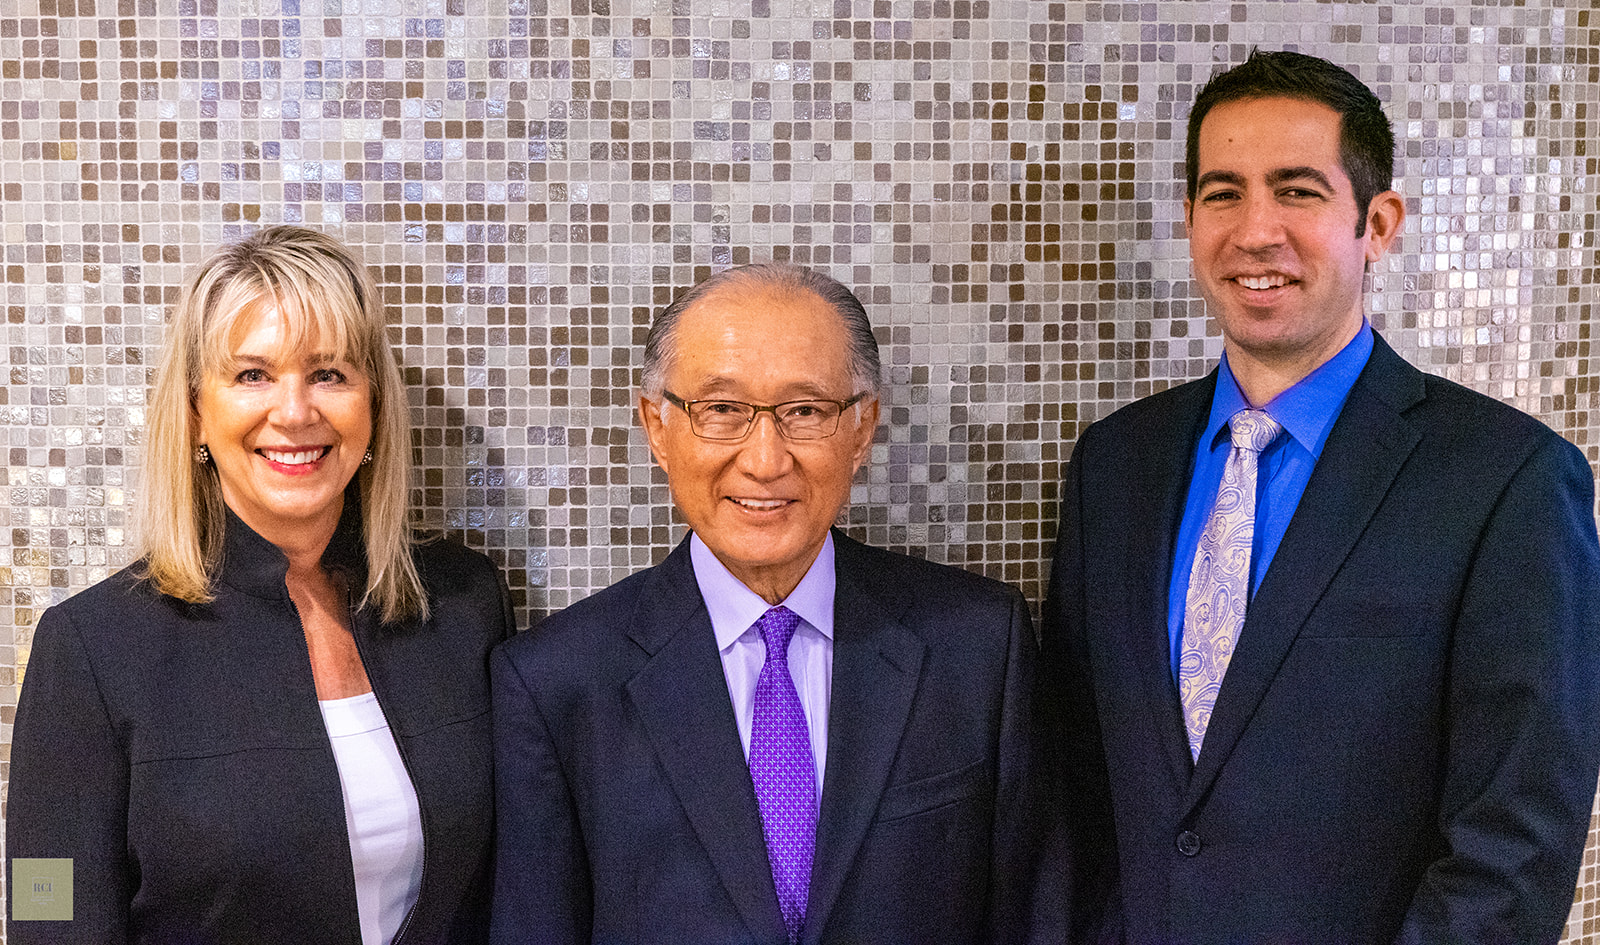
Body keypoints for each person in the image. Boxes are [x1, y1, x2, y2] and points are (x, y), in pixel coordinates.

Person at [1044, 49, 1600, 944]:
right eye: (1223, 194)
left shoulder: (1509, 481)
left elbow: (1514, 848)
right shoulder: (1113, 466)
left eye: (1297, 191)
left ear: (1377, 223)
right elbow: (1074, 779)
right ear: (1190, 218)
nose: (1255, 231)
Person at [491, 263, 1067, 945]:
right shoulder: (556, 682)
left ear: (862, 428)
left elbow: (1033, 917)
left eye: (805, 411)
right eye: (721, 410)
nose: (765, 460)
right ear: (657, 428)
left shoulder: (977, 647)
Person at [6, 226, 514, 944]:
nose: (296, 411)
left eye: (329, 373)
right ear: (195, 413)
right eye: (252, 375)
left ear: (372, 403)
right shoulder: (92, 649)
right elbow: (45, 899)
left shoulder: (464, 604)